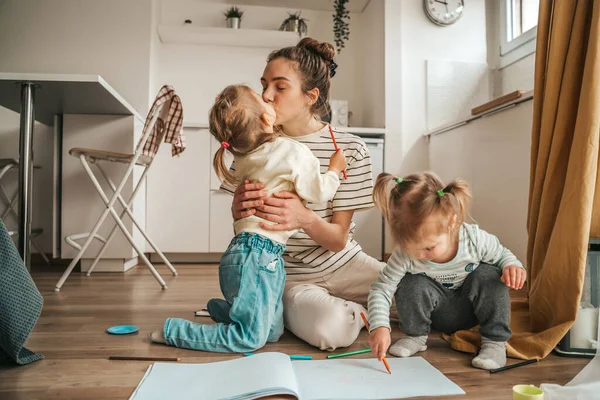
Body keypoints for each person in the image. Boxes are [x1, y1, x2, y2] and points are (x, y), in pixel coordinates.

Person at [150, 84, 346, 352]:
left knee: (273, 333)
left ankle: (227, 310)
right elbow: (319, 191)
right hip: (259, 258)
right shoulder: (293, 151)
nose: (268, 97)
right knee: (250, 339)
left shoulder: (244, 156)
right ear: (267, 119)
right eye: (262, 96)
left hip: (247, 255)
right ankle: (175, 331)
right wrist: (334, 170)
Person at [224, 37, 386, 351]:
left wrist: (303, 217)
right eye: (264, 85)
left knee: (421, 286)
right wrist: (238, 210)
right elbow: (246, 228)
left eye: (280, 87)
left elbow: (338, 239)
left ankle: (360, 305)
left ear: (310, 96)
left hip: (345, 263)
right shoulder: (253, 145)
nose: (266, 96)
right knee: (331, 331)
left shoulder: (350, 149)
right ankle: (363, 311)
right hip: (286, 273)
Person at [367, 172, 526, 370]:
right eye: (411, 248)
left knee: (490, 275)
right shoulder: (405, 255)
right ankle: (415, 337)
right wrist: (380, 326)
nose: (420, 255)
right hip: (436, 315)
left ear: (451, 223)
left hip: (471, 310)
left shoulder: (473, 239)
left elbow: (503, 255)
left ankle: (495, 342)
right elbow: (381, 289)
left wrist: (513, 266)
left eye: (428, 248)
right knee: (410, 283)